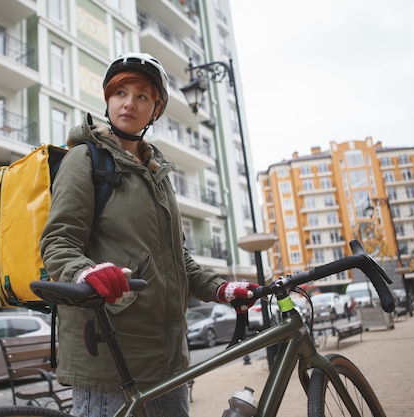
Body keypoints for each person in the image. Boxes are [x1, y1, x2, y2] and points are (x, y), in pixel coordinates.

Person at [40, 52, 258, 417]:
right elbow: (58, 242)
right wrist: (87, 272)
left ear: (155, 110)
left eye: (142, 96)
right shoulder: (86, 160)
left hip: (168, 358)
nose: (129, 103)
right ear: (108, 100)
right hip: (110, 357)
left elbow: (176, 260)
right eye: (120, 92)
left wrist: (220, 288)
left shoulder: (156, 174)